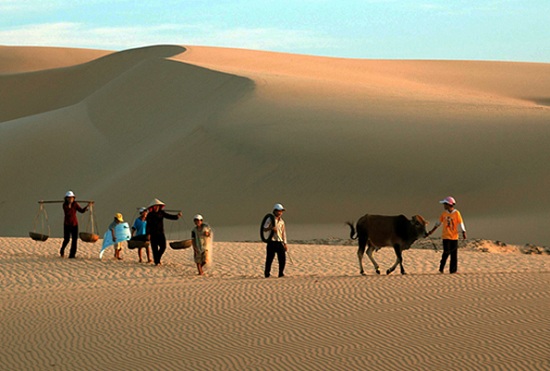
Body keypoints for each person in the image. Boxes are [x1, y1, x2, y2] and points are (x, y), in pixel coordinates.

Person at [427, 196, 467, 274]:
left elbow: (461, 222)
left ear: (449, 204)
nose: (444, 206)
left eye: (445, 204)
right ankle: (441, 269)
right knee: (446, 252)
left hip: (454, 237)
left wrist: (463, 232)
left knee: (454, 255)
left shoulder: (456, 213)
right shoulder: (444, 214)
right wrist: (431, 231)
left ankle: (453, 270)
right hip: (446, 236)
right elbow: (438, 223)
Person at [146, 198, 182, 266]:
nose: (156, 208)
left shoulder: (161, 213)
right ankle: (157, 262)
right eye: (155, 206)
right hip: (153, 234)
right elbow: (148, 225)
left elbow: (169, 216)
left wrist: (177, 216)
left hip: (160, 233)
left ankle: (157, 259)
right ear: (153, 207)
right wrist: (148, 234)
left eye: (157, 206)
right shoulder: (150, 215)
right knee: (154, 249)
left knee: (163, 247)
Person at [59, 191, 90, 259]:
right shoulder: (65, 205)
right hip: (67, 224)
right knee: (66, 239)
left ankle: (72, 255)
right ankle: (62, 250)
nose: (70, 199)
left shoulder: (75, 204)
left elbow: (81, 210)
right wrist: (69, 206)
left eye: (72, 198)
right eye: (69, 198)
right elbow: (68, 213)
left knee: (74, 240)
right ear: (66, 199)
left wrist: (86, 207)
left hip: (74, 224)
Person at [263, 203, 288, 278]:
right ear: (275, 211)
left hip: (279, 242)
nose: (280, 213)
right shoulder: (270, 219)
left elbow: (283, 233)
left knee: (282, 258)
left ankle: (281, 273)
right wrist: (271, 228)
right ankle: (267, 274)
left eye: (281, 211)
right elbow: (264, 229)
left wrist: (285, 243)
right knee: (269, 259)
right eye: (279, 211)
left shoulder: (282, 221)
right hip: (271, 242)